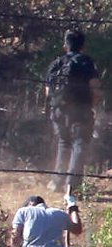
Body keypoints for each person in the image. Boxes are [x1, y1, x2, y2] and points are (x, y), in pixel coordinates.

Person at [45, 29, 102, 193]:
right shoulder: (86, 62)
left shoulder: (56, 64)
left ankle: (57, 182)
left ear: (65, 46)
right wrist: (91, 105)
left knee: (64, 143)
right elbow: (96, 89)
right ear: (83, 47)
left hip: (58, 110)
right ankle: (73, 185)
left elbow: (48, 92)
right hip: (81, 110)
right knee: (79, 144)